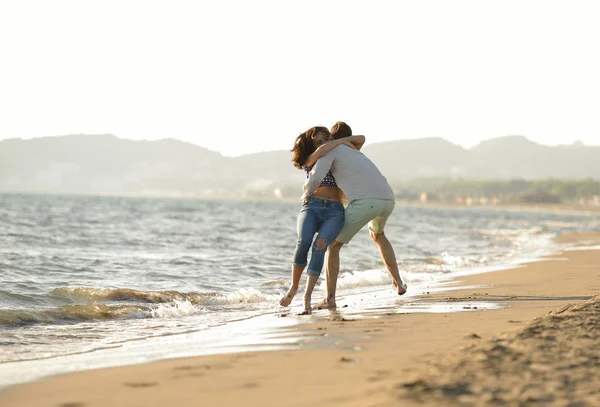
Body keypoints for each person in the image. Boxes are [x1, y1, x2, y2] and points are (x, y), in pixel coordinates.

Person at [301, 121, 407, 310]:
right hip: (387, 199)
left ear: (331, 139)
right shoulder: (355, 151)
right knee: (378, 235)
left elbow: (316, 177)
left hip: (366, 202)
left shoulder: (331, 151)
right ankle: (398, 283)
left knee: (333, 245)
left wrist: (306, 193)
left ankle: (330, 299)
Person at [279, 126, 365, 314]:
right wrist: (333, 143)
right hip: (312, 206)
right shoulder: (311, 160)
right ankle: (293, 288)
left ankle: (307, 298)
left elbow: (361, 139)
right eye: (319, 141)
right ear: (312, 146)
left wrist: (339, 142)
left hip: (335, 210)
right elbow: (321, 151)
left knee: (320, 246)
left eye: (326, 139)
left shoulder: (339, 156)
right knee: (303, 243)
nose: (324, 144)